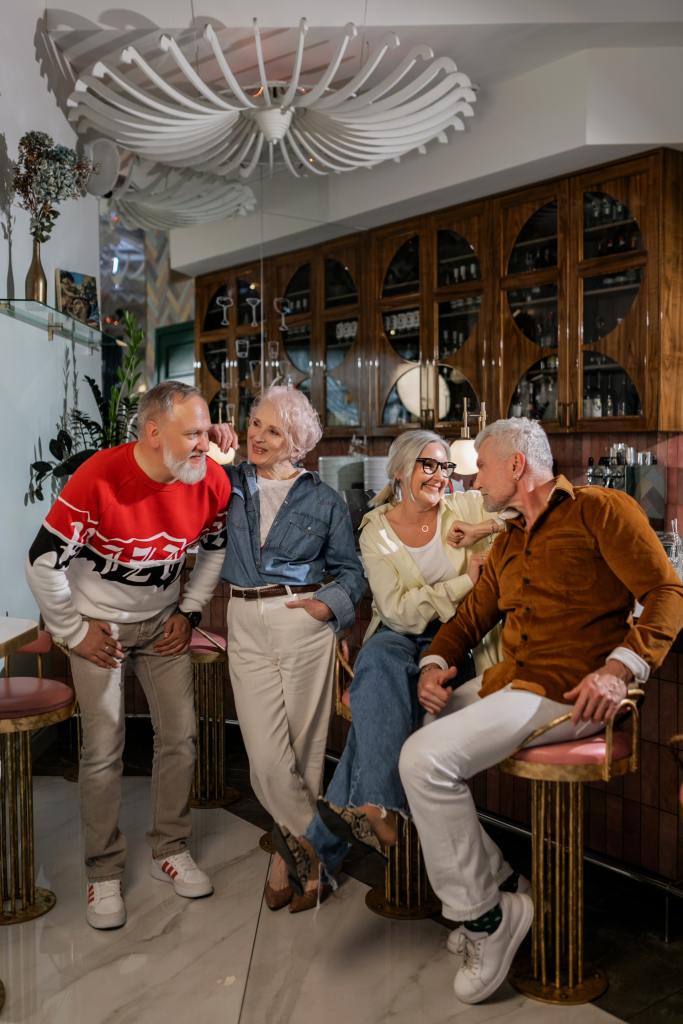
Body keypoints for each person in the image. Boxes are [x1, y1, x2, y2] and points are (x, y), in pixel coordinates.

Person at [398, 417, 683, 1006]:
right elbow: (470, 618)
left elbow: (667, 593)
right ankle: (501, 884)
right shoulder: (506, 539)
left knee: (424, 761)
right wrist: (433, 664)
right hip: (516, 684)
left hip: (569, 693)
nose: (473, 475)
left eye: (482, 464)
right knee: (423, 728)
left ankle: (484, 918)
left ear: (517, 466)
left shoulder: (603, 509)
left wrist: (621, 666)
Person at [26, 381, 237, 930]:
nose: (205, 442)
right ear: (152, 432)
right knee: (102, 749)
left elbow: (215, 549)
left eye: (206, 430)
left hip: (163, 622)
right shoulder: (100, 476)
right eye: (193, 433)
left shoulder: (208, 477)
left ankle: (170, 847)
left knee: (181, 736)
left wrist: (189, 611)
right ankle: (102, 872)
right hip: (100, 627)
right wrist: (74, 631)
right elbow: (40, 561)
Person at [272, 430, 504, 906]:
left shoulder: (466, 509)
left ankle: (356, 810)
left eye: (444, 467)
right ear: (400, 471)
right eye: (428, 465)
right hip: (399, 636)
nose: (440, 476)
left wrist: (482, 532)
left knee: (377, 687)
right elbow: (398, 612)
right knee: (378, 660)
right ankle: (371, 810)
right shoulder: (375, 529)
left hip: (457, 639)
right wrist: (465, 581)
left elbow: (527, 515)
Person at [220, 385, 366, 912]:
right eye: (255, 423)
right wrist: (211, 442)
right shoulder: (230, 482)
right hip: (244, 619)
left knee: (304, 752)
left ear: (297, 444)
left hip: (301, 621)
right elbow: (187, 473)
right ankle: (324, 846)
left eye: (273, 431)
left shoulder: (323, 500)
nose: (257, 436)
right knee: (264, 757)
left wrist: (330, 605)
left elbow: (352, 571)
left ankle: (286, 862)